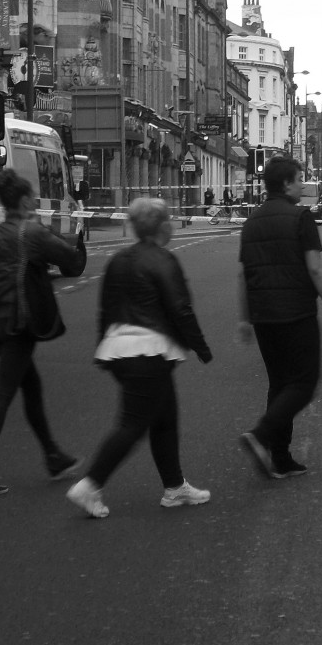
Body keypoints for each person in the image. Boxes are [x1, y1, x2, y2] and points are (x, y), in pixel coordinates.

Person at [67, 198, 213, 518]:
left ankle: (175, 488)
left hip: (120, 350)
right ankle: (91, 484)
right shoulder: (164, 260)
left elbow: (105, 309)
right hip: (149, 352)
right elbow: (180, 308)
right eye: (170, 221)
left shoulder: (118, 260)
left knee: (164, 417)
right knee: (133, 424)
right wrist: (201, 348)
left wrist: (101, 349)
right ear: (163, 227)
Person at [0, 168, 88, 497]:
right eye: (31, 197)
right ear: (22, 200)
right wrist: (72, 232)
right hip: (18, 326)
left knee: (31, 387)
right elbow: (73, 264)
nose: (35, 202)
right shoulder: (30, 233)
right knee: (3, 395)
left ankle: (53, 455)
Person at [236, 157, 322, 479]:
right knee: (303, 383)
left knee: (280, 384)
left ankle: (280, 456)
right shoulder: (301, 217)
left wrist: (244, 319)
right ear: (286, 184)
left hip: (263, 316)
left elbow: (244, 274)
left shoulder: (252, 221)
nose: (302, 185)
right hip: (295, 312)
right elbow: (315, 269)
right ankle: (260, 436)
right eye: (299, 179)